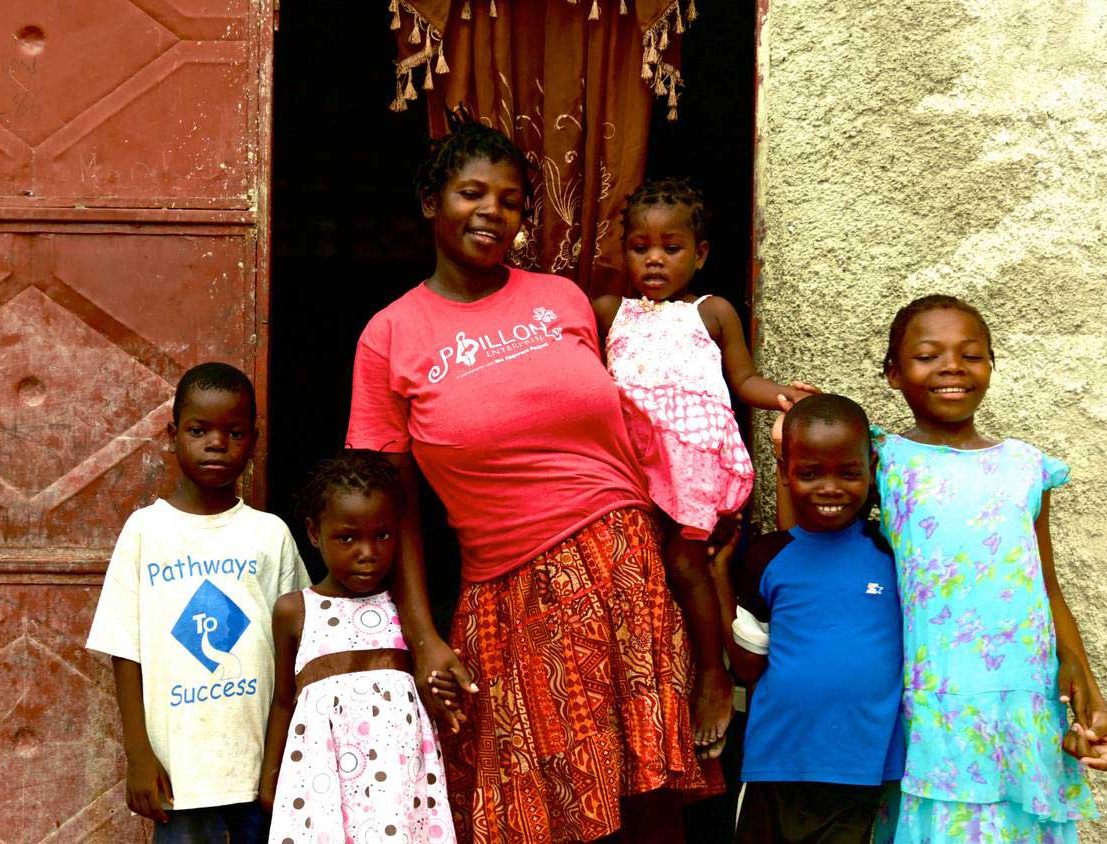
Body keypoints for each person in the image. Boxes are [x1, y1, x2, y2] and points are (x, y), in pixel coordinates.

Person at [347, 111, 720, 844]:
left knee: (651, 809)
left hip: (627, 574)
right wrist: (421, 635)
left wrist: (706, 512)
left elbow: (657, 413)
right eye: (472, 193)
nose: (492, 211)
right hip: (510, 595)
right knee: (539, 817)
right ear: (430, 203)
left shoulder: (564, 300)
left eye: (511, 200)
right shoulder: (390, 335)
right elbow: (392, 509)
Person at [871, 295, 1107, 841]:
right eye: (927, 356)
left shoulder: (1026, 466)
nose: (952, 367)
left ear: (991, 366)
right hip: (935, 696)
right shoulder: (882, 460)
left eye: (971, 355)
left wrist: (1084, 681)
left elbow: (1047, 587)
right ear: (893, 373)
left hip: (1025, 697)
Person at [592, 178, 817, 750]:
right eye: (640, 247)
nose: (654, 259)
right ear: (623, 252)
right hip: (629, 461)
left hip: (691, 458)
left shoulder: (711, 312)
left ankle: (713, 674)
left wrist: (790, 400)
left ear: (700, 254)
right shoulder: (609, 312)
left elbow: (744, 380)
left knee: (684, 559)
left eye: (671, 248)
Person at [86, 362, 310, 843]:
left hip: (259, 770)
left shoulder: (270, 535)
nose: (217, 443)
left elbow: (297, 648)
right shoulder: (146, 532)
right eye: (198, 430)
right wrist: (138, 755)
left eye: (235, 433)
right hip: (179, 775)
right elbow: (124, 649)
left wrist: (288, 757)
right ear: (172, 436)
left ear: (254, 440)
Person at [715, 394, 903, 844]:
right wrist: (719, 574)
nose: (830, 488)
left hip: (863, 769)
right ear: (784, 473)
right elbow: (747, 666)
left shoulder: (894, 554)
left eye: (849, 473)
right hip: (776, 764)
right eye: (810, 473)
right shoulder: (766, 557)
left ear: (872, 468)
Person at [259, 450, 455, 843]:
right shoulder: (295, 611)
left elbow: (429, 686)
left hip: (398, 784)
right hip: (323, 783)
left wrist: (443, 688)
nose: (367, 553)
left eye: (382, 536)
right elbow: (283, 701)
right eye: (347, 538)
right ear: (314, 533)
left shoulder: (406, 609)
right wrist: (270, 777)